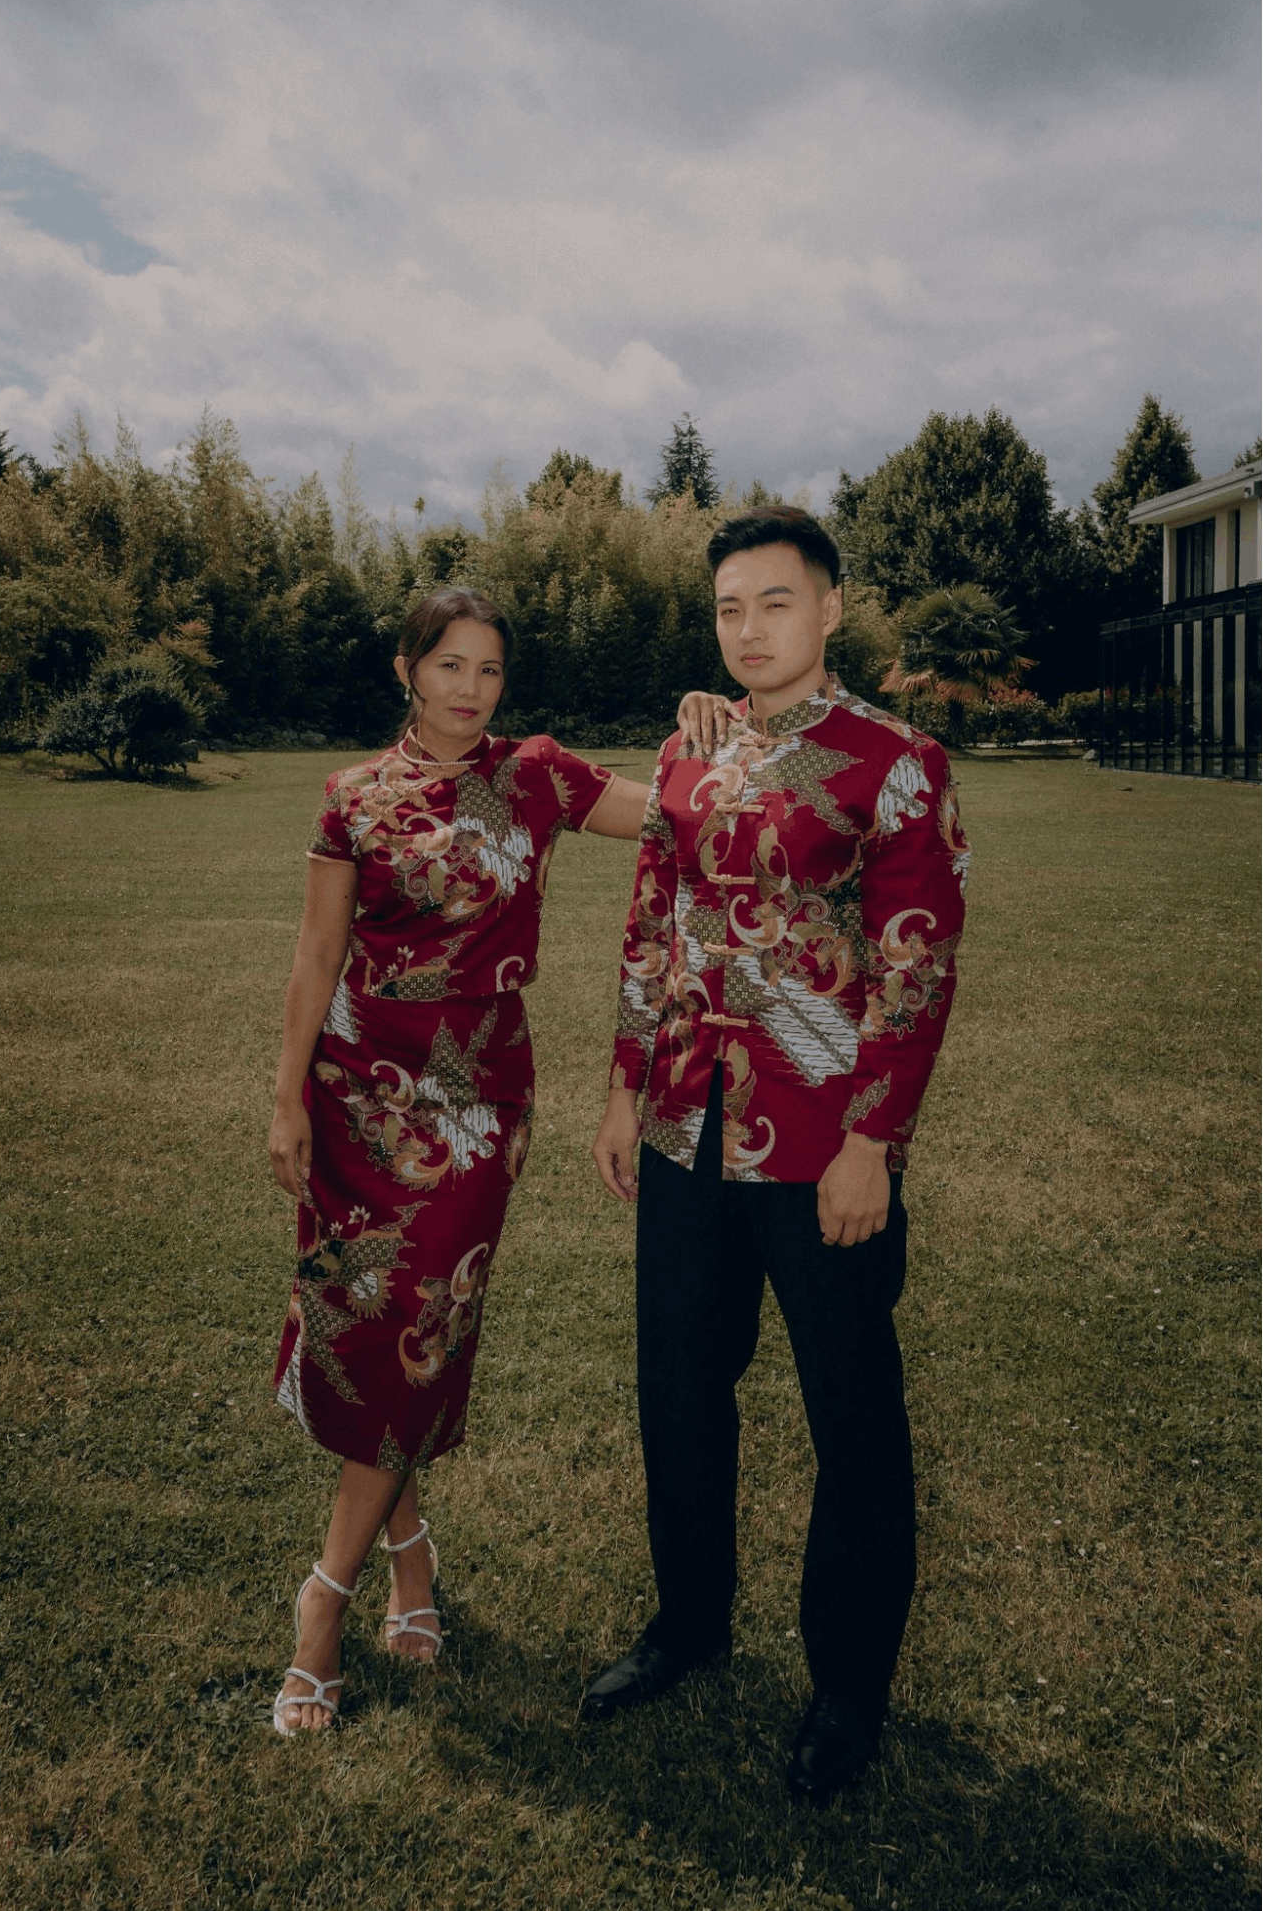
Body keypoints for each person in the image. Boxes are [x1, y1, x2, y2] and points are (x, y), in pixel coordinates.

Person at [268, 585, 726, 1735]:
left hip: (476, 1107)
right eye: (448, 666)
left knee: (419, 1333)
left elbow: (673, 811)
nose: (469, 689)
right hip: (354, 1098)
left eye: (488, 669)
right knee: (375, 1333)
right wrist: (287, 1100)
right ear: (405, 671)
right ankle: (407, 1555)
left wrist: (716, 728)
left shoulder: (532, 775)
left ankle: (319, 1602)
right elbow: (318, 952)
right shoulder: (351, 799)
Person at [587, 506, 970, 1805]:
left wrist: (874, 1141)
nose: (749, 628)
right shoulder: (690, 754)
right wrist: (619, 1087)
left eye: (774, 602)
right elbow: (652, 925)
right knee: (679, 1387)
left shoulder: (893, 761)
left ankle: (846, 1691)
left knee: (850, 1416)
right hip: (687, 1129)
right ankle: (687, 1621)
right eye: (729, 608)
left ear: (828, 609)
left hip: (822, 1149)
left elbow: (913, 966)